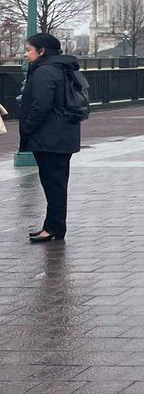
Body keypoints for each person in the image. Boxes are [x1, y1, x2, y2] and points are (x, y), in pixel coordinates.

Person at [18, 33, 82, 244]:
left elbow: (41, 106)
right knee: (57, 184)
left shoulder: (45, 71)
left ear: (42, 51)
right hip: (61, 135)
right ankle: (53, 226)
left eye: (29, 50)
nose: (25, 54)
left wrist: (27, 128)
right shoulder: (61, 67)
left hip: (50, 138)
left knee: (53, 184)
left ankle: (53, 228)